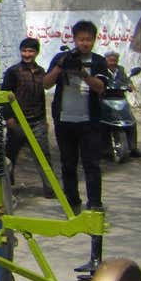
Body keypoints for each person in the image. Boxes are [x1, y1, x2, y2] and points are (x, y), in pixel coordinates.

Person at [44, 21, 112, 211]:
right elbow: (46, 84)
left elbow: (100, 88)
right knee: (68, 164)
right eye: (81, 39)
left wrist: (83, 73)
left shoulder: (98, 61)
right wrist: (59, 67)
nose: (84, 44)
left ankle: (95, 204)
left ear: (94, 41)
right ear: (74, 39)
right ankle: (72, 203)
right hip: (65, 121)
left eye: (88, 40)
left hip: (89, 122)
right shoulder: (62, 57)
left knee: (92, 164)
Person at [2, 37, 55, 197]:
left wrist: (44, 119)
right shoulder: (13, 72)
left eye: (30, 51)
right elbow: (5, 96)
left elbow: (41, 96)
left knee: (43, 156)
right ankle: (7, 190)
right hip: (18, 121)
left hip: (37, 121)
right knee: (10, 156)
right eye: (24, 51)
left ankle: (50, 188)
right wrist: (9, 118)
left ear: (37, 53)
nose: (27, 54)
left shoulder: (41, 72)